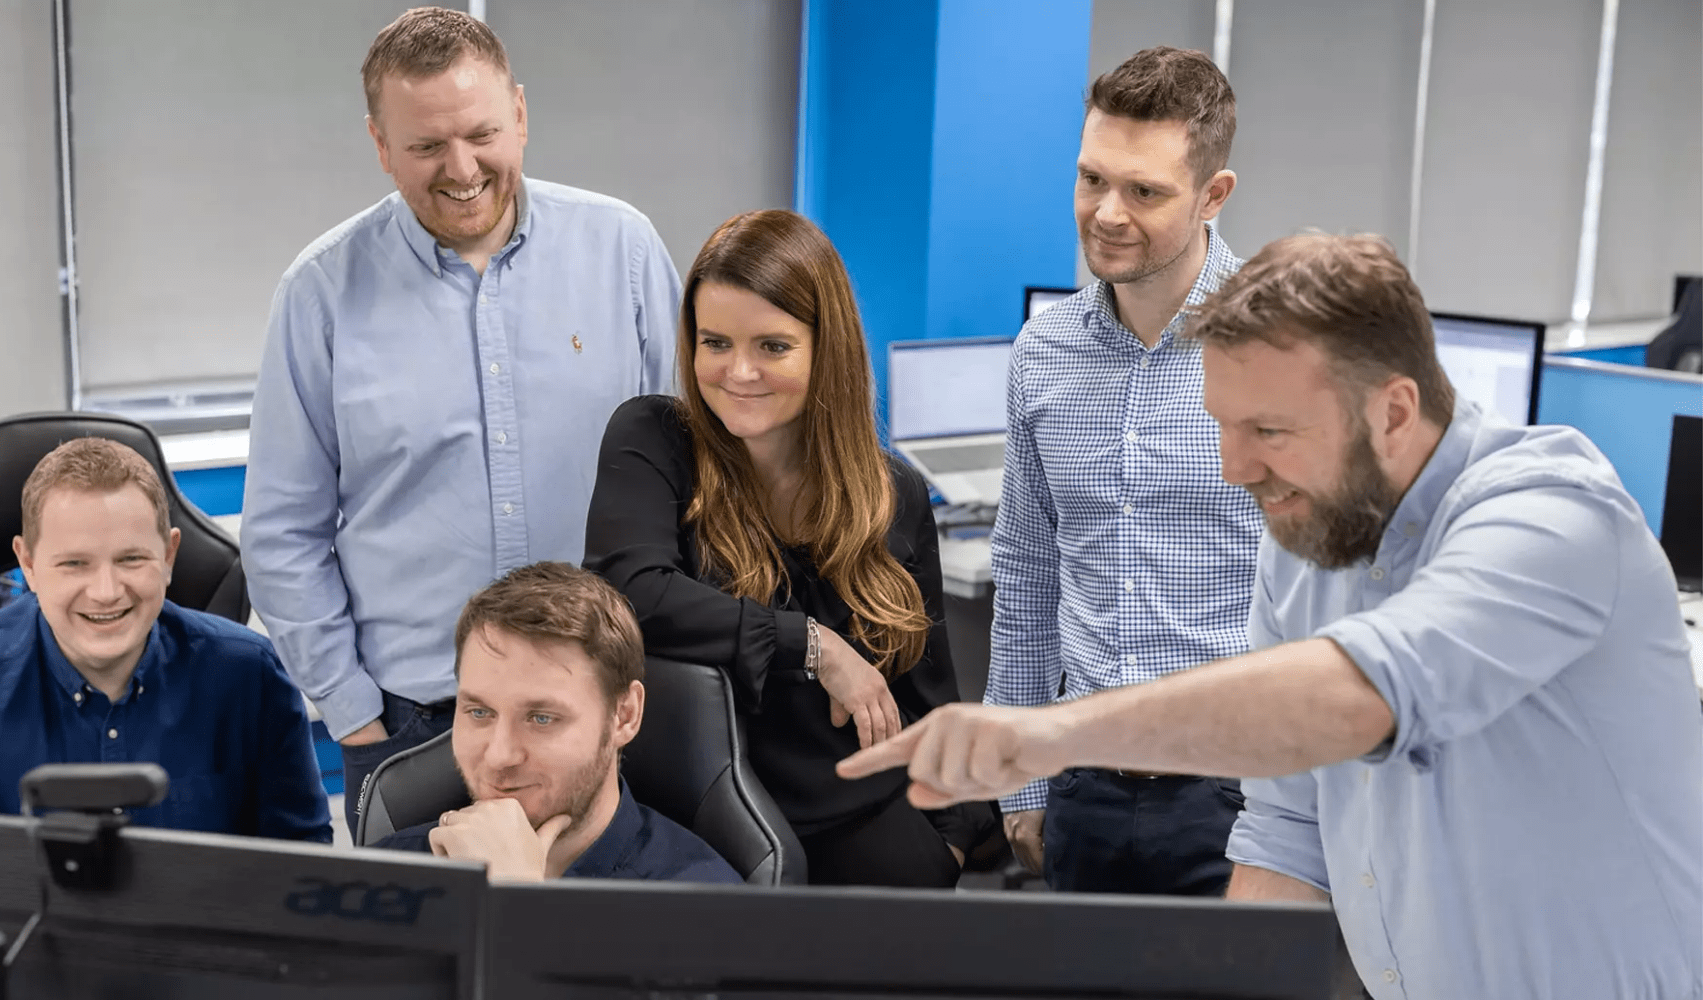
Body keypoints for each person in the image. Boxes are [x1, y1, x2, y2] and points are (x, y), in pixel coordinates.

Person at [842, 234, 1703, 998]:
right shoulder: (1306, 541)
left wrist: (1050, 735)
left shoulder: (1550, 515)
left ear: (1393, 412)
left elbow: (1358, 696)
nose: (1233, 469)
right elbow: (1287, 826)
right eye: (1222, 425)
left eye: (1269, 430)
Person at [242, 6, 681, 840]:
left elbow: (695, 476)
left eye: (482, 133)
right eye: (425, 147)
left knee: (620, 959)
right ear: (379, 144)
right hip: (418, 727)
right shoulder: (321, 293)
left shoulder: (620, 249)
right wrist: (355, 717)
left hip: (610, 718)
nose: (462, 168)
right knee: (425, 968)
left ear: (519, 112)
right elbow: (281, 534)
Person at [584, 209, 996, 888]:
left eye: (772, 346)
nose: (737, 371)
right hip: (702, 844)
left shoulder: (892, 491)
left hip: (874, 842)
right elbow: (630, 588)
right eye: (714, 342)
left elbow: (930, 699)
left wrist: (946, 844)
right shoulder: (655, 438)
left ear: (824, 348)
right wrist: (812, 645)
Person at [984, 45, 1262, 895]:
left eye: (1143, 191)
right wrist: (1021, 784)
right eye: (1090, 178)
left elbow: (1335, 591)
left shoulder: (1281, 344)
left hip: (1243, 791)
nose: (1106, 212)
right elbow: (1027, 577)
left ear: (1212, 195)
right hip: (1083, 781)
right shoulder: (1043, 353)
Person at [0, 438, 332, 842]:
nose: (107, 591)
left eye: (131, 559)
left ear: (169, 555)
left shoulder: (250, 673)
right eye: (74, 564)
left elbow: (303, 869)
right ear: (28, 564)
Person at [370, 562, 740, 884]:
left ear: (624, 715)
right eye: (479, 712)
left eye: (542, 718)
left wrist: (512, 901)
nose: (500, 757)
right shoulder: (391, 873)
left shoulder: (705, 908)